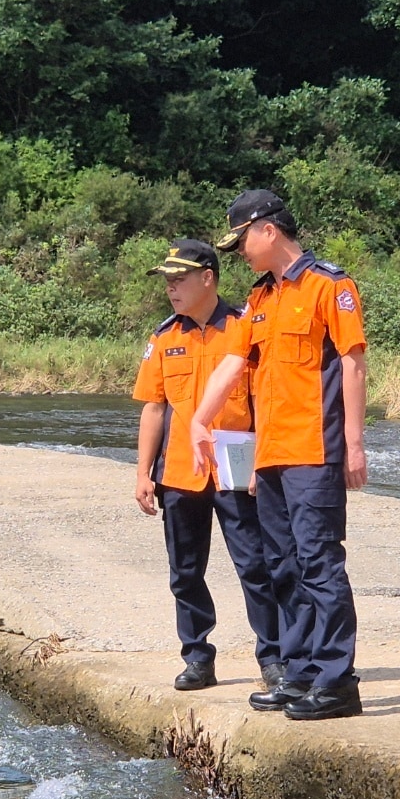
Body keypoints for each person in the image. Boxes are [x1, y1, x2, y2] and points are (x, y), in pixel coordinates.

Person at [187, 189, 368, 721]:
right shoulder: (260, 299)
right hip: (270, 454)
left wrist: (354, 443)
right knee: (283, 567)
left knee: (319, 564)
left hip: (316, 449)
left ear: (268, 230)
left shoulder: (329, 287)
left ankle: (337, 682)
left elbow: (353, 365)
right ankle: (300, 672)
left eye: (241, 239)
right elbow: (232, 363)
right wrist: (201, 418)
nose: (239, 251)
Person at [132, 239, 282, 692]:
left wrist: (264, 464)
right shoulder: (164, 337)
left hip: (237, 469)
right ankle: (197, 657)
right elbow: (153, 408)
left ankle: (273, 658)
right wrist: (142, 473)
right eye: (167, 282)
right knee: (184, 571)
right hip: (179, 471)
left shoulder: (244, 328)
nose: (171, 289)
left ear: (208, 278)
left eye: (179, 280)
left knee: (255, 566)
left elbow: (263, 400)